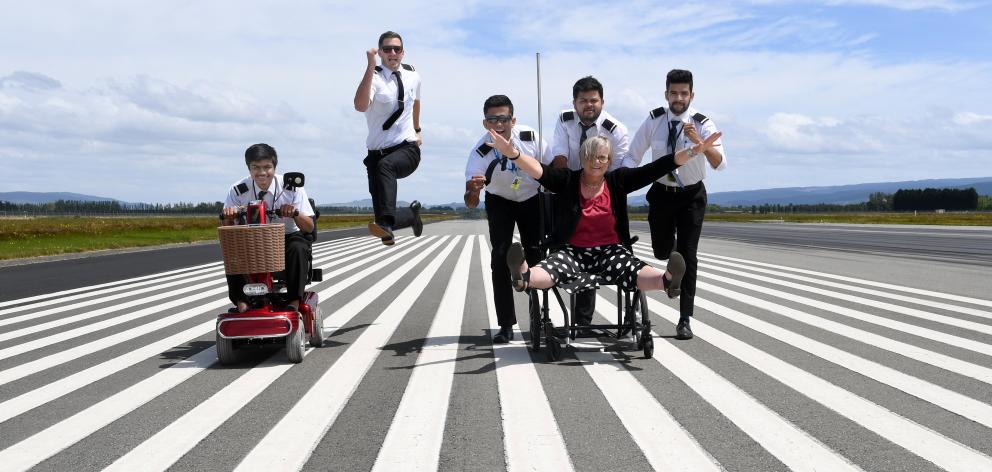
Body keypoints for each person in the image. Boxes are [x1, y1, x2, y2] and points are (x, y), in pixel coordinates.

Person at [496, 131, 723, 325]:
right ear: (583, 158)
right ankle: (523, 275)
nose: (597, 161)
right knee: (552, 267)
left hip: (610, 250)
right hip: (572, 251)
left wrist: (694, 151)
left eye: (602, 157)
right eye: (592, 157)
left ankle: (668, 280)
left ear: (609, 160)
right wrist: (514, 155)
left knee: (632, 268)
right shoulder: (566, 181)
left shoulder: (618, 181)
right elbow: (539, 170)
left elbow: (658, 167)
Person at [628, 69, 727, 340]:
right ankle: (675, 261)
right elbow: (632, 155)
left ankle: (685, 319)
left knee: (689, 254)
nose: (679, 98)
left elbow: (719, 164)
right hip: (661, 193)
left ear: (692, 95)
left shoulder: (702, 123)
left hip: (691, 197)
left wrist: (700, 144)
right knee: (662, 251)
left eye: (684, 93)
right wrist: (618, 183)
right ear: (666, 94)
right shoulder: (654, 120)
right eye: (674, 93)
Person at [464, 95, 552, 344]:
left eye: (503, 119)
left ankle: (540, 318)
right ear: (485, 124)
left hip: (531, 198)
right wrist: (473, 190)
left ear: (513, 119)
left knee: (536, 257)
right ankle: (505, 324)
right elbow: (470, 202)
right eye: (492, 120)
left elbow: (553, 168)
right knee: (500, 259)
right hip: (500, 200)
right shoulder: (480, 151)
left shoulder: (531, 138)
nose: (498, 125)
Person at [549, 76, 634, 328]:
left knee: (616, 247)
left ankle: (630, 311)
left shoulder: (615, 130)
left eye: (593, 100)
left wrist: (596, 187)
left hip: (604, 192)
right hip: (570, 193)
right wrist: (568, 187)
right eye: (583, 101)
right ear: (574, 103)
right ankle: (582, 318)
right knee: (576, 248)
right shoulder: (564, 121)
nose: (589, 105)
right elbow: (561, 158)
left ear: (602, 102)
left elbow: (617, 171)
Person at [222, 143, 316, 313]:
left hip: (286, 236)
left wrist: (294, 213)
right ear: (249, 168)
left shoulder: (291, 187)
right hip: (252, 239)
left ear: (274, 167)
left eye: (267, 167)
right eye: (255, 167)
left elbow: (309, 226)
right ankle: (241, 301)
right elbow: (228, 231)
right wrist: (229, 217)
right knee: (232, 250)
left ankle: (294, 300)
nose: (262, 173)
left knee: (298, 247)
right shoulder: (237, 191)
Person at [353, 30, 423, 246]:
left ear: (403, 52)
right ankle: (408, 218)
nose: (392, 52)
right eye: (387, 49)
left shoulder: (413, 75)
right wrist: (369, 66)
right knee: (382, 215)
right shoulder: (373, 77)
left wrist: (417, 129)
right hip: (375, 153)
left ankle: (387, 226)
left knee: (386, 166)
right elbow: (360, 105)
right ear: (380, 52)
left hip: (406, 149)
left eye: (397, 49)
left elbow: (416, 102)